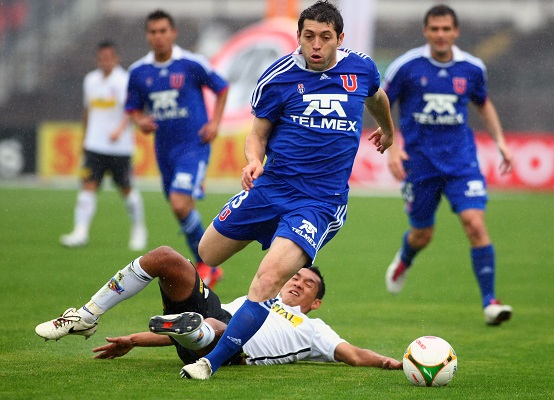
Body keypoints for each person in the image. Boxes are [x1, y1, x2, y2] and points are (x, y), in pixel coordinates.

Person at [181, 0, 395, 379]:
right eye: (309, 36)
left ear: (340, 38)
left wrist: (388, 131)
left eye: (325, 37)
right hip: (272, 187)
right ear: (298, 36)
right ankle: (212, 322)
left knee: (267, 281)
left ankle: (209, 362)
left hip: (319, 203)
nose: (316, 45)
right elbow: (257, 135)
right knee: (207, 252)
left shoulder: (361, 68)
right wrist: (253, 160)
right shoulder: (277, 77)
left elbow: (377, 97)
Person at [34, 246, 402, 372]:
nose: (297, 282)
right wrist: (133, 340)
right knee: (168, 258)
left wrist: (391, 362)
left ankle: (196, 332)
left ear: (316, 302)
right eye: (296, 276)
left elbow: (354, 355)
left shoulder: (313, 329)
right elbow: (188, 326)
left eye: (307, 285)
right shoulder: (255, 300)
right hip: (206, 332)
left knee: (220, 324)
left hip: (232, 354)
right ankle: (87, 315)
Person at [381, 4, 513, 326]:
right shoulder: (407, 66)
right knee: (422, 234)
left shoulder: (472, 68)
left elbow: (483, 103)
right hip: (420, 165)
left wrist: (500, 141)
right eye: (435, 29)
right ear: (425, 31)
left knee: (474, 223)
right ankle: (405, 259)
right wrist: (392, 149)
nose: (440, 35)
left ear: (456, 32)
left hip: (461, 163)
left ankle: (490, 302)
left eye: (446, 29)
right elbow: (381, 103)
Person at [125, 9, 229, 288]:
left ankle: (206, 264)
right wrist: (140, 121)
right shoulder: (138, 72)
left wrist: (215, 123)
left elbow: (221, 88)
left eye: (163, 31)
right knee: (182, 208)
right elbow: (133, 107)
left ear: (173, 33)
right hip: (164, 150)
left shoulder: (191, 64)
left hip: (193, 145)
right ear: (147, 36)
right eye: (153, 32)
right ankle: (208, 264)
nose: (158, 36)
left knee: (179, 203)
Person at [60, 40, 147, 251]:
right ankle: (80, 232)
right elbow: (87, 110)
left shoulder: (124, 80)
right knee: (87, 187)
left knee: (126, 189)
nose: (105, 62)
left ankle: (139, 230)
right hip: (95, 145)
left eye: (109, 58)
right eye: (101, 58)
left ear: (116, 58)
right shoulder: (90, 80)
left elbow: (132, 109)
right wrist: (84, 138)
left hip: (119, 148)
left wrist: (119, 129)